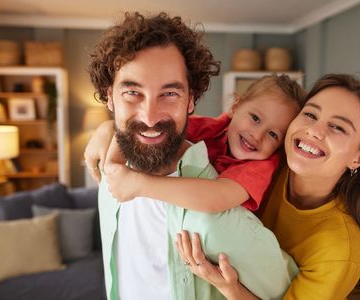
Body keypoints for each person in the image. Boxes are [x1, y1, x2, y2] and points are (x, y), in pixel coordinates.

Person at [87, 11, 296, 300]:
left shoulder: (221, 222)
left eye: (170, 94)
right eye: (132, 92)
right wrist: (105, 131)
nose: (149, 117)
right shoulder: (107, 178)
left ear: (192, 100)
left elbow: (289, 289)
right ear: (109, 96)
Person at [177, 74, 360, 299]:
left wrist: (230, 288)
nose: (314, 130)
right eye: (310, 114)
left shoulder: (340, 248)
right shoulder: (265, 154)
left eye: (338, 127)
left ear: (359, 158)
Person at [88, 74, 303, 213]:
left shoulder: (263, 165)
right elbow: (155, 129)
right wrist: (107, 129)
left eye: (274, 134)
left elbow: (216, 198)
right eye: (255, 118)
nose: (258, 135)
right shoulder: (213, 127)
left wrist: (140, 185)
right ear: (235, 107)